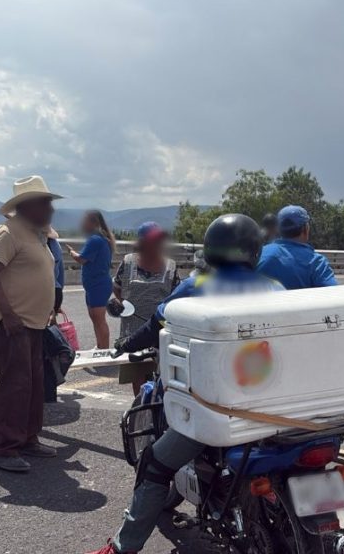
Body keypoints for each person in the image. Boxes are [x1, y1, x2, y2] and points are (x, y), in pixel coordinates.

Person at [87, 214, 283, 554]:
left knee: (155, 464)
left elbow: (156, 324)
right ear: (254, 251)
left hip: (218, 411)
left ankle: (123, 547)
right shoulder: (276, 288)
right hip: (275, 409)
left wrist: (126, 344)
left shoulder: (198, 287)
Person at [0, 176, 62, 473]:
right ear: (28, 206)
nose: (50, 207)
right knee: (14, 385)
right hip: (10, 323)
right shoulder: (8, 232)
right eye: (45, 202)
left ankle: (27, 438)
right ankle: (3, 448)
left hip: (32, 323)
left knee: (33, 385)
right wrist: (9, 314)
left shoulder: (38, 233)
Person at [112, 221, 180, 395]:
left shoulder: (170, 266)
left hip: (160, 329)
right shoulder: (128, 262)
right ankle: (140, 413)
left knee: (164, 377)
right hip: (133, 331)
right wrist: (124, 304)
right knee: (138, 378)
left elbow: (176, 297)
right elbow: (117, 287)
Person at [255, 205, 337, 290]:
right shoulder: (317, 263)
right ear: (305, 229)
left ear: (279, 230)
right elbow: (333, 296)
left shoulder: (260, 254)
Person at [67, 210, 115, 349]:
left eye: (85, 220)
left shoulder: (95, 240)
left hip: (98, 285)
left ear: (93, 223)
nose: (82, 223)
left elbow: (81, 259)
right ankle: (100, 345)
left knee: (99, 319)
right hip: (94, 285)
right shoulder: (98, 238)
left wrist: (71, 252)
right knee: (95, 317)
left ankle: (104, 349)